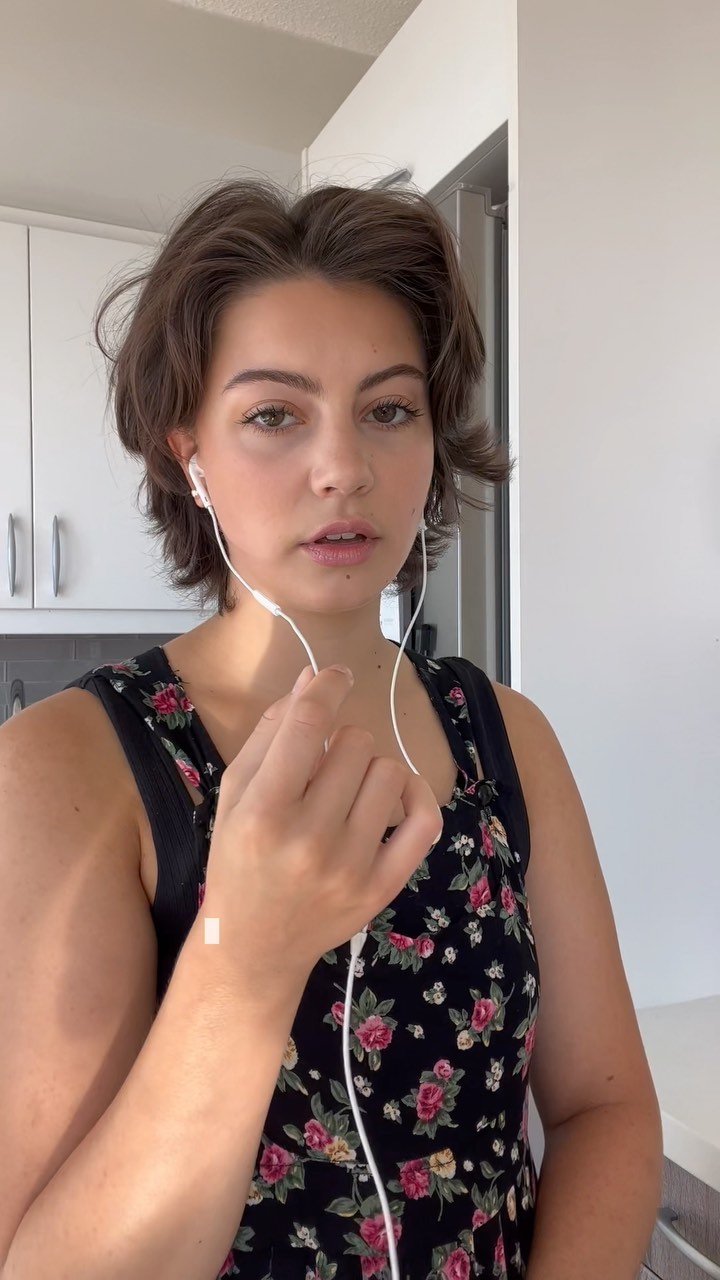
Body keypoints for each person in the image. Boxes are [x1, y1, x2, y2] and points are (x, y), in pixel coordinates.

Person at [0, 179, 661, 1280]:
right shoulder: (65, 770)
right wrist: (246, 958)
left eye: (389, 410)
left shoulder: (506, 736)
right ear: (188, 454)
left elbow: (605, 1108)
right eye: (274, 414)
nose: (344, 468)